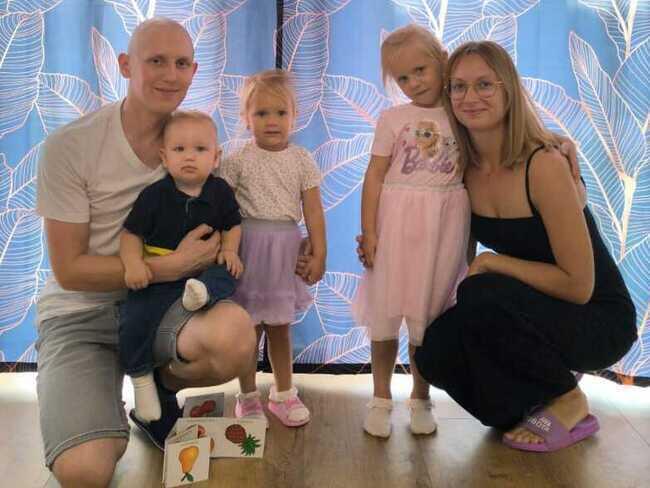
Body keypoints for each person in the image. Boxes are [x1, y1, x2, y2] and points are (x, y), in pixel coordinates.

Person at [35, 18, 256, 487]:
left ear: (194, 71)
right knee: (84, 473)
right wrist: (168, 267)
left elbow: (234, 214)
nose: (170, 75)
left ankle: (154, 386)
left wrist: (307, 242)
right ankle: (101, 407)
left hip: (163, 308)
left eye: (181, 63)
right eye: (155, 60)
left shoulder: (196, 144)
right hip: (81, 316)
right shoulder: (69, 147)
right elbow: (70, 271)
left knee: (236, 337)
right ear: (124, 65)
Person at [410, 41, 637, 452]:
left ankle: (568, 397)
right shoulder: (462, 168)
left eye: (484, 84)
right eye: (458, 86)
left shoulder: (544, 164)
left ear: (508, 90)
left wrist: (494, 262)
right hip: (525, 310)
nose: (470, 96)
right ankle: (535, 401)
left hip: (596, 319)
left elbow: (579, 286)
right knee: (434, 350)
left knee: (481, 290)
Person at [350, 24, 470, 439]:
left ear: (442, 61)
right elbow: (374, 175)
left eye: (421, 70)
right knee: (386, 313)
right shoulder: (393, 118)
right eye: (403, 77)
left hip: (444, 225)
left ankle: (421, 396)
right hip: (396, 224)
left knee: (428, 317)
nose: (414, 82)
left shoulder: (462, 114)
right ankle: (380, 397)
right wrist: (369, 232)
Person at [119, 110, 244, 423]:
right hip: (161, 277)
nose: (189, 156)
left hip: (204, 273)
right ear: (164, 157)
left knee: (229, 272)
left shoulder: (220, 191)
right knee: (134, 316)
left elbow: (232, 224)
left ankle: (202, 293)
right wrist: (134, 263)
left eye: (200, 149)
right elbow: (131, 235)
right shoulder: (154, 196)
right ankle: (142, 380)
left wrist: (230, 249)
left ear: (216, 157)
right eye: (179, 149)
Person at [219, 69, 326, 428]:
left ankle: (283, 393)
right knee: (248, 329)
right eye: (261, 113)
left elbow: (314, 211)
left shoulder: (301, 159)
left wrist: (319, 253)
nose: (272, 121)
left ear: (294, 116)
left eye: (281, 113)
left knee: (280, 327)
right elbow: (221, 208)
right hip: (248, 251)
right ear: (246, 118)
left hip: (284, 252)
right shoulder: (237, 160)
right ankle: (248, 397)